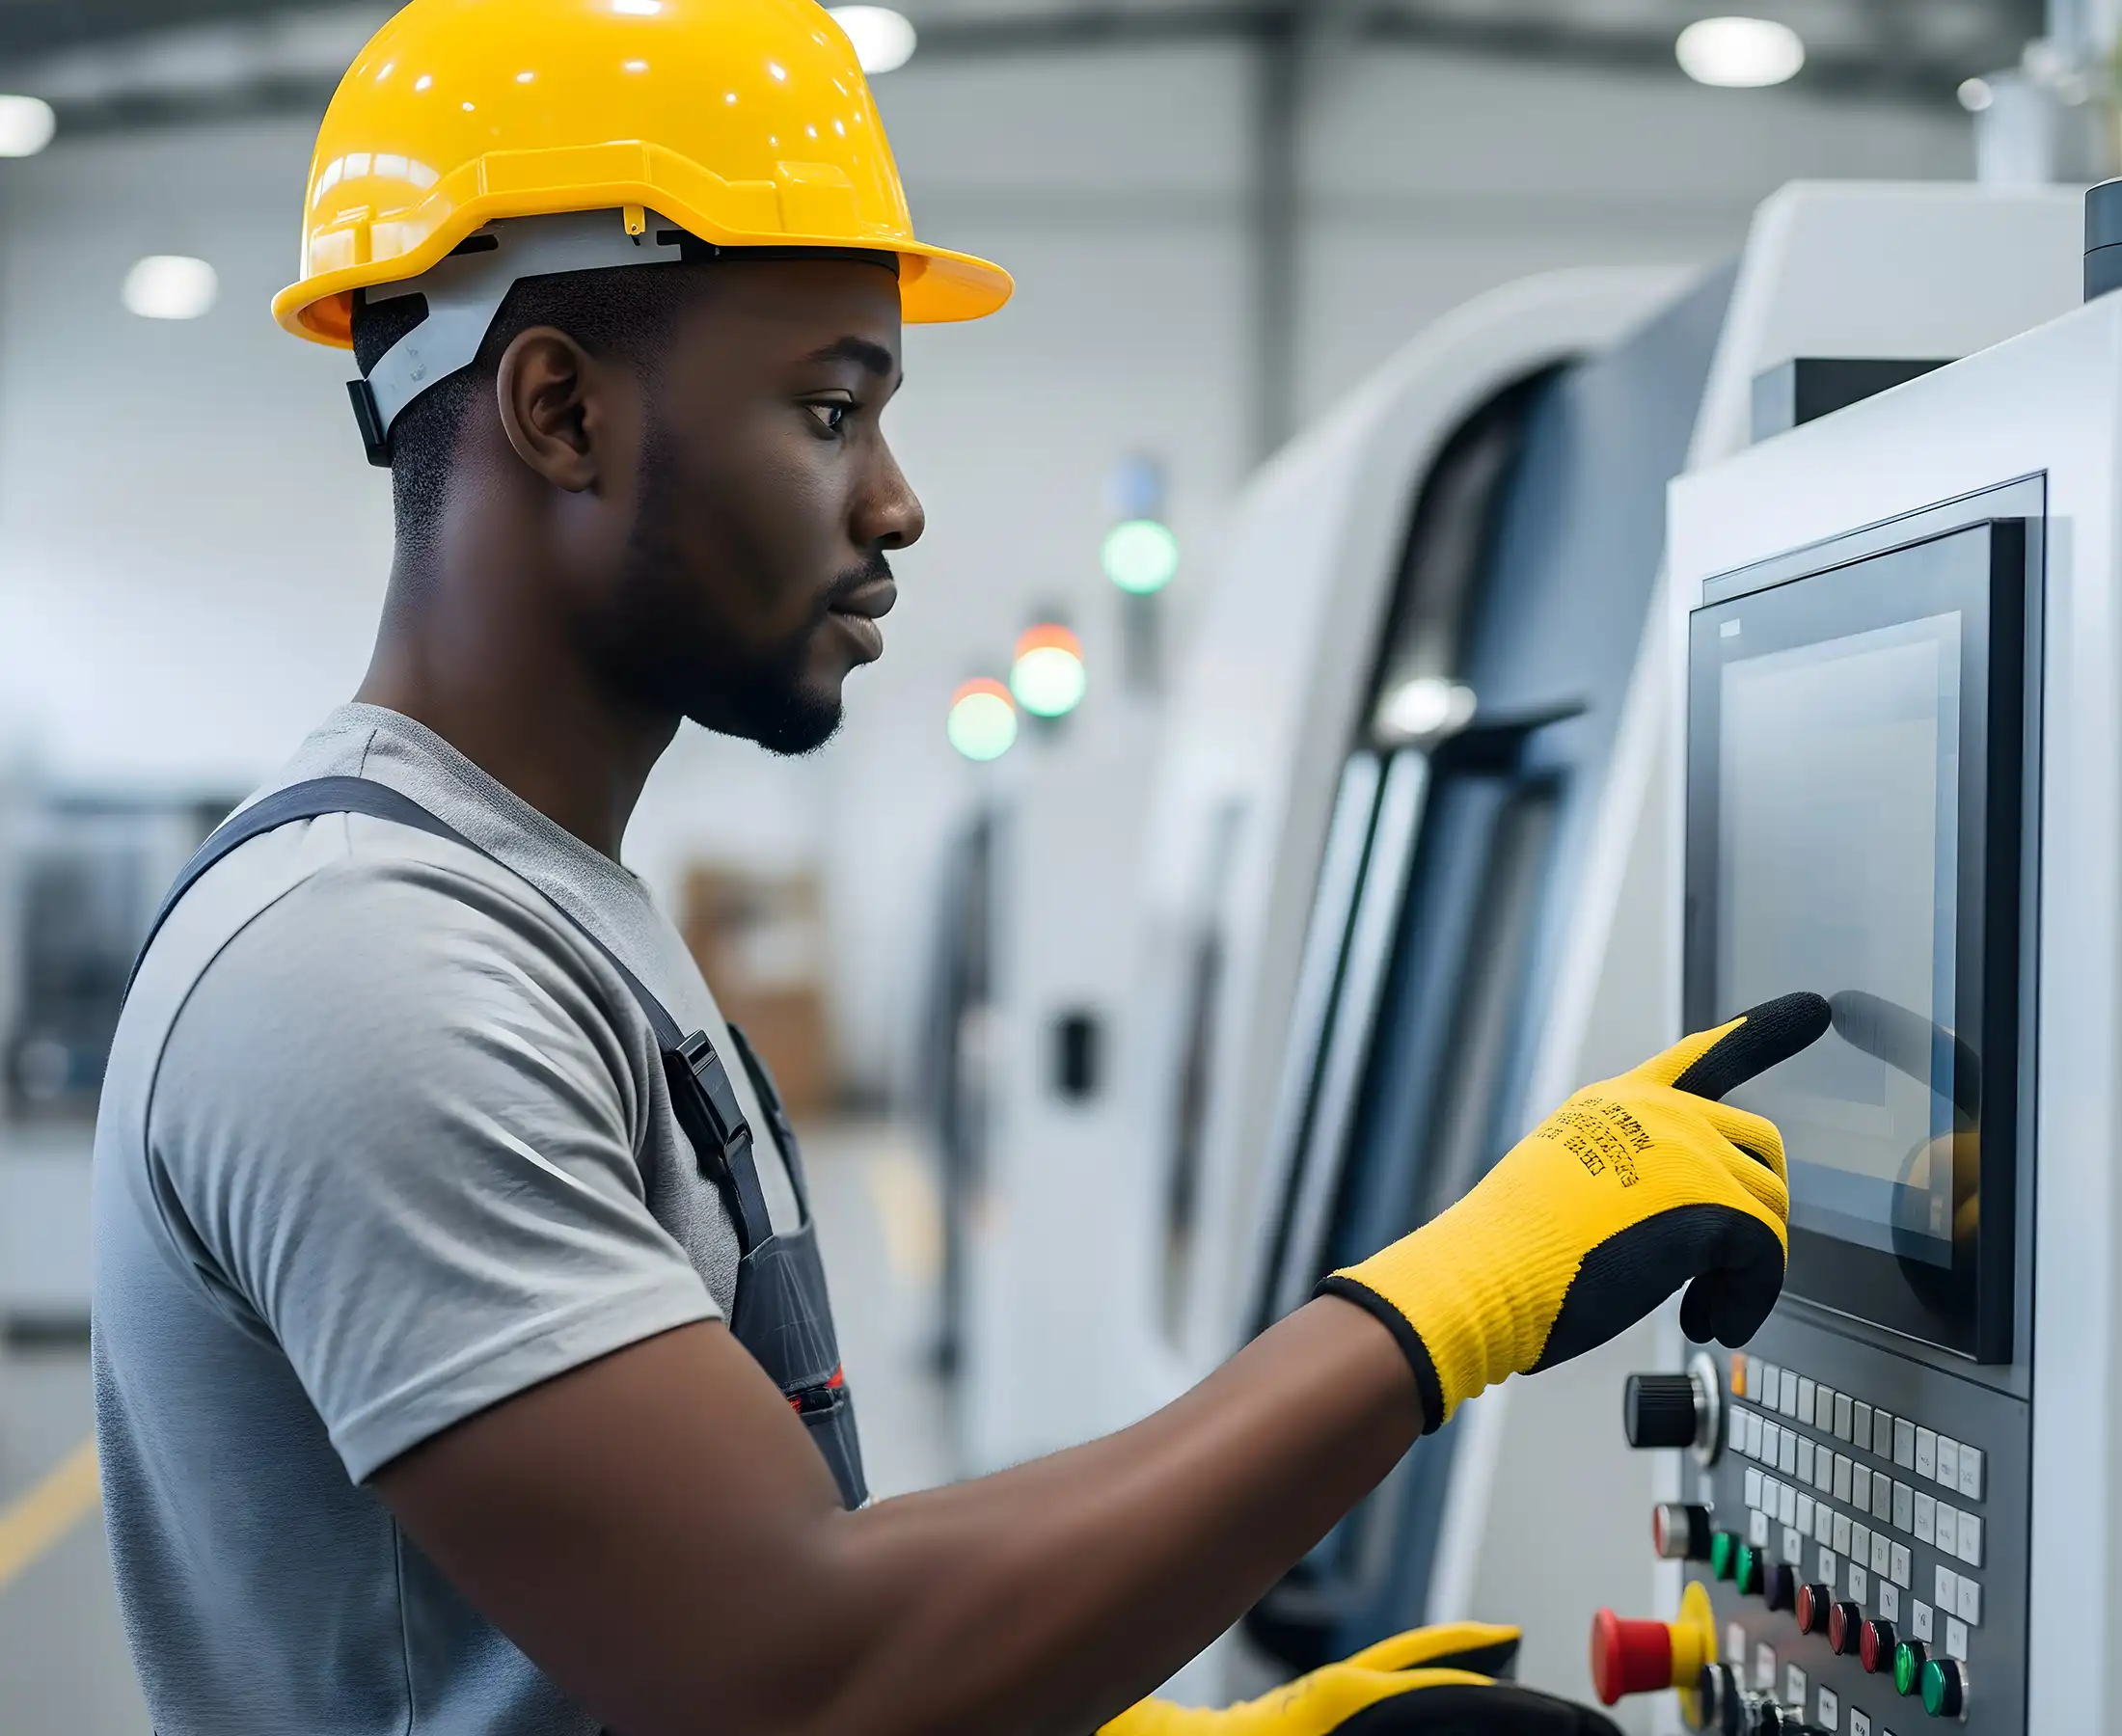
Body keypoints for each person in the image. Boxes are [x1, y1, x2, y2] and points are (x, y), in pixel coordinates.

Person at [91, 3, 1827, 1732]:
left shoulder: (542, 910)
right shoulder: (364, 968)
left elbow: (717, 1599)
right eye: (832, 409)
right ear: (559, 410)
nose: (898, 502)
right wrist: (1456, 1299)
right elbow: (796, 1671)